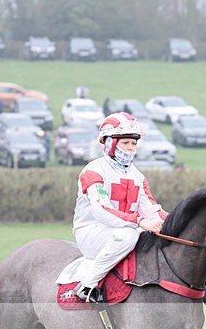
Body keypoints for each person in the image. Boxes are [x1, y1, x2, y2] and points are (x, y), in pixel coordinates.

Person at [70, 112, 168, 302]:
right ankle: (87, 285)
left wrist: (179, 222)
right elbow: (101, 210)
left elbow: (152, 210)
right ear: (109, 143)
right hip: (92, 231)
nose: (131, 148)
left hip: (122, 230)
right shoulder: (93, 170)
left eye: (134, 143)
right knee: (130, 235)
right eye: (125, 143)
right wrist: (140, 221)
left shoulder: (138, 176)